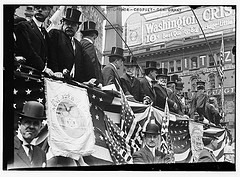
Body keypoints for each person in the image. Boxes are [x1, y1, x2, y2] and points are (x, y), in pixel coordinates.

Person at [48, 8, 94, 83]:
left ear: (78, 28)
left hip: (72, 83)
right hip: (56, 80)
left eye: (73, 24)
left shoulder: (78, 45)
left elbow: (82, 65)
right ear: (62, 23)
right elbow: (52, 54)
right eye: (67, 23)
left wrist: (89, 80)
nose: (69, 26)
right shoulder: (56, 34)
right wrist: (56, 71)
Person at [14, 5, 54, 76]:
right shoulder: (23, 26)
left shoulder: (45, 34)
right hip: (24, 74)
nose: (40, 10)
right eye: (37, 7)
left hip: (38, 75)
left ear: (50, 11)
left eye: (44, 8)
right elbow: (28, 51)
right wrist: (44, 68)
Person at [8, 101, 47, 169]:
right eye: (27, 122)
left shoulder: (41, 154)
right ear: (19, 124)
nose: (31, 126)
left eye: (35, 123)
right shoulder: (6, 148)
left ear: (40, 127)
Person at [80, 20, 103, 87]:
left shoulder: (80, 43)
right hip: (89, 83)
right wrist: (96, 81)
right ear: (94, 36)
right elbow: (91, 63)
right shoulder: (89, 45)